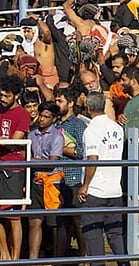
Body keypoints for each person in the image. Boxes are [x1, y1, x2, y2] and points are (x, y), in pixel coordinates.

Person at [77, 92, 129, 266]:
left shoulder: (91, 130)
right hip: (114, 189)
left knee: (93, 235)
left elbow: (93, 158)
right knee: (115, 235)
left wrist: (85, 186)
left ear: (89, 108)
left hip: (96, 191)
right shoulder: (117, 128)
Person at [0, 74, 31, 261]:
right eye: (0, 95)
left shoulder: (22, 114)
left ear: (16, 95)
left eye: (6, 96)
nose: (2, 99)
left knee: (13, 216)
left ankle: (15, 257)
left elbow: (15, 143)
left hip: (13, 168)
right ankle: (4, 253)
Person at [28, 102, 65, 259]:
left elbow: (52, 162)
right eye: (41, 115)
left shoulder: (57, 136)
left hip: (53, 184)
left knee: (54, 224)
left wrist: (29, 160)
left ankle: (58, 258)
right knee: (34, 221)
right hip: (36, 181)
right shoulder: (32, 134)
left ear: (53, 119)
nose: (42, 119)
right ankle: (33, 258)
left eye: (46, 117)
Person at [54, 86, 87, 258]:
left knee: (77, 220)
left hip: (73, 178)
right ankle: (59, 259)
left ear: (71, 103)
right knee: (60, 221)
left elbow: (82, 153)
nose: (57, 104)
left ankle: (84, 257)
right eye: (56, 101)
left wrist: (61, 149)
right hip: (57, 177)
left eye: (60, 101)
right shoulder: (55, 123)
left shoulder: (78, 125)